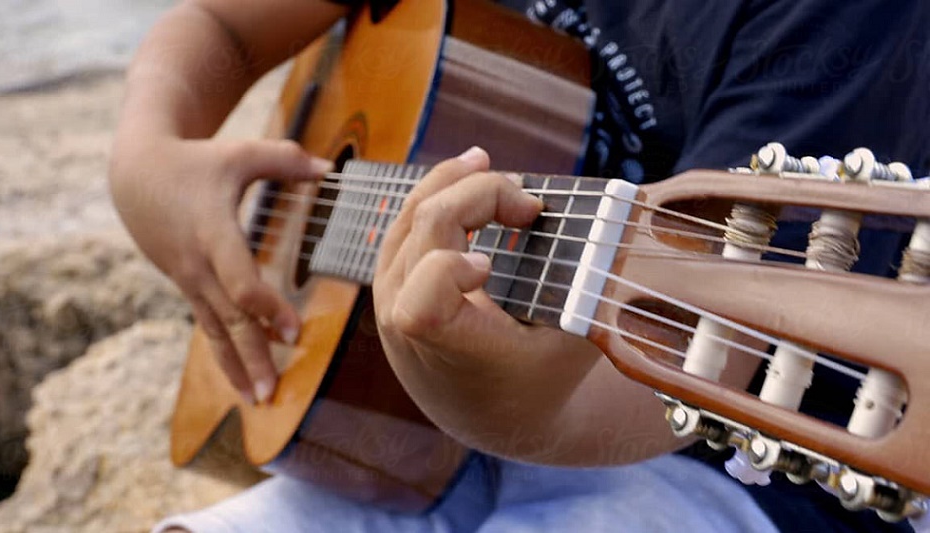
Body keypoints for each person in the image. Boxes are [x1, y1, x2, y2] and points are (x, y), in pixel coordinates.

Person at [109, 0, 929, 531]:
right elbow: (219, 26)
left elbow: (705, 352)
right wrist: (146, 159)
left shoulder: (834, 20)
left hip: (740, 473)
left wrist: (497, 404)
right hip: (425, 436)